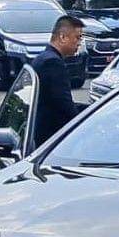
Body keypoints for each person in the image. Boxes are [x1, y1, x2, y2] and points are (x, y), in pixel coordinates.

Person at [32, 15, 86, 147]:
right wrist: (86, 124)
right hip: (50, 138)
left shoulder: (43, 58)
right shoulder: (53, 63)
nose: (79, 43)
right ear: (62, 37)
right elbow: (64, 105)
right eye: (77, 37)